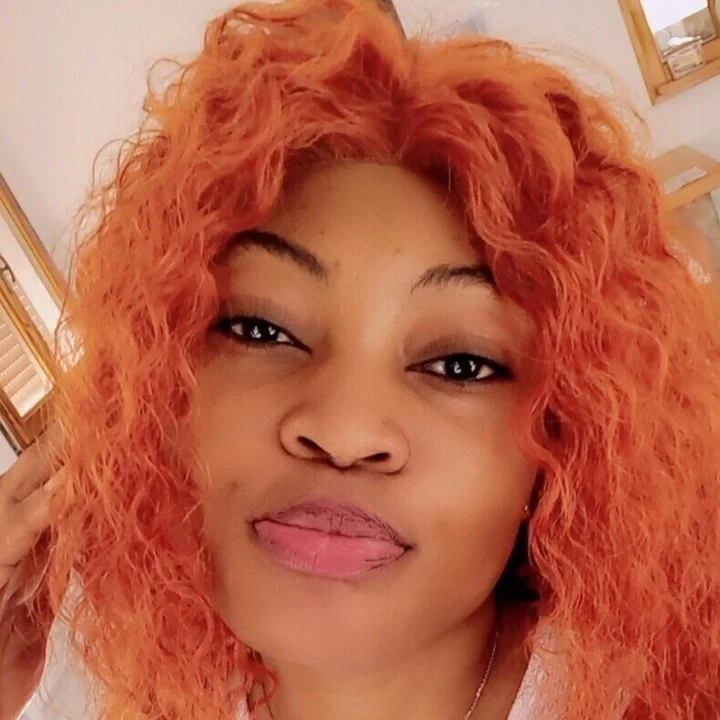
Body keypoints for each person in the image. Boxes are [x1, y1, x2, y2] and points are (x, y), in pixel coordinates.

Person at [1, 0, 719, 718]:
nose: (343, 431)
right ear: (159, 389)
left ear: (567, 445)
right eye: (259, 329)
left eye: (460, 365)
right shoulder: (63, 680)